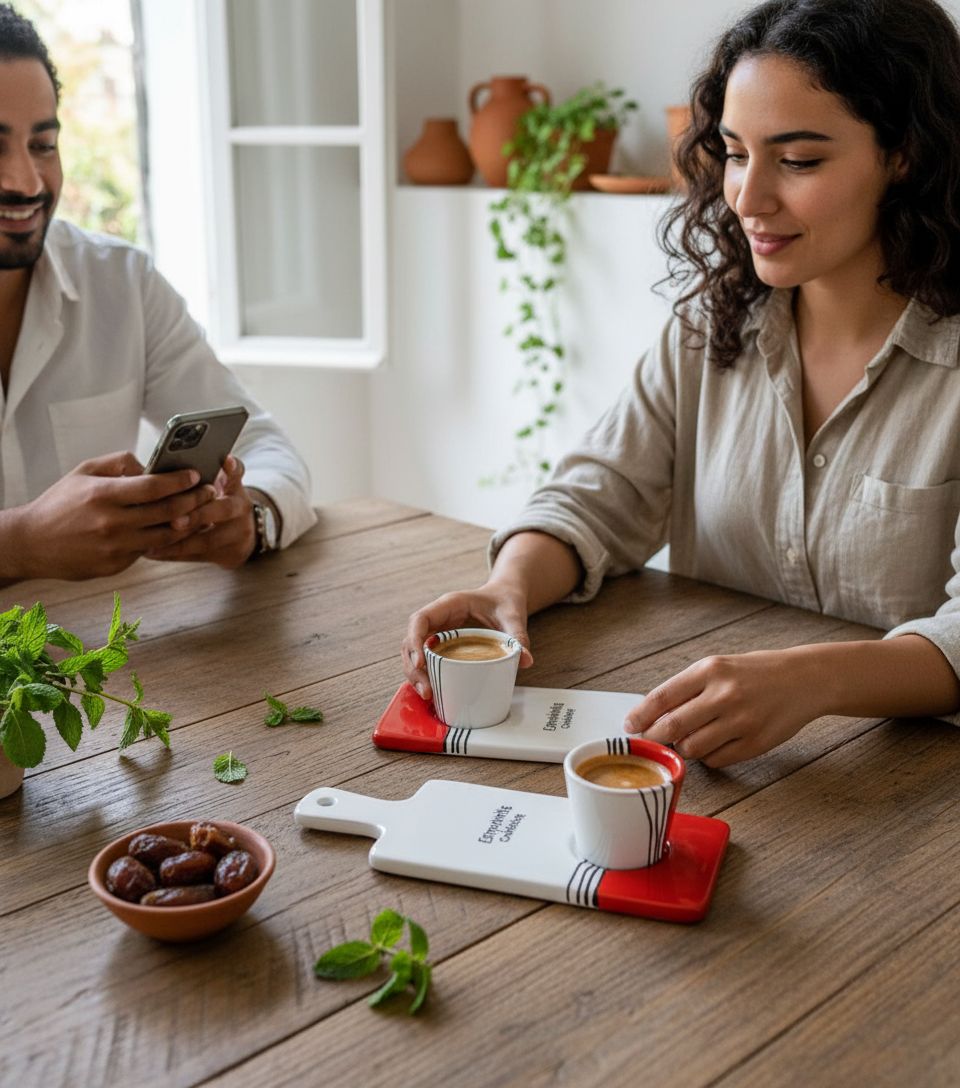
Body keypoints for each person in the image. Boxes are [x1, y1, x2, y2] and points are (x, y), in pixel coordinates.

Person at [403, 0, 960, 767]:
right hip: (710, 767)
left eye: (798, 160)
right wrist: (509, 587)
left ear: (906, 155)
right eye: (735, 153)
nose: (749, 197)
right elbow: (598, 494)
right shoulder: (712, 328)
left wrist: (815, 680)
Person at [0, 3, 315, 584]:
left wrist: (249, 518)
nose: (25, 181)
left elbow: (269, 449)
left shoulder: (121, 284)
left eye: (42, 145)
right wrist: (18, 544)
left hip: (117, 662)